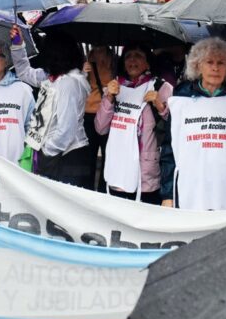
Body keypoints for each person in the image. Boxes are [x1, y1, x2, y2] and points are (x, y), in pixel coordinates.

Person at [163, 37, 226, 210]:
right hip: (189, 190)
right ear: (198, 65)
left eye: (221, 63)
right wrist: (167, 195)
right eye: (209, 62)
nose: (215, 68)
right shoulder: (180, 103)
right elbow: (169, 152)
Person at [10, 26, 94, 188]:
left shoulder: (69, 83)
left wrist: (44, 152)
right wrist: (18, 45)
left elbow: (65, 130)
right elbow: (25, 73)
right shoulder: (53, 76)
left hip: (68, 158)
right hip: (56, 155)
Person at [95, 43, 173, 203]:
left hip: (144, 175)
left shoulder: (161, 87)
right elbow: (101, 128)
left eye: (138, 56)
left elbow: (175, 127)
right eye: (128, 56)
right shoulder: (115, 86)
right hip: (117, 168)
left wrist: (160, 106)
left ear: (148, 62)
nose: (132, 60)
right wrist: (109, 98)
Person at [83, 46, 116, 190]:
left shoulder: (114, 63)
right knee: (93, 156)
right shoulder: (89, 62)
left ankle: (99, 189)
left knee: (104, 156)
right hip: (93, 112)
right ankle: (97, 190)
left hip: (102, 112)